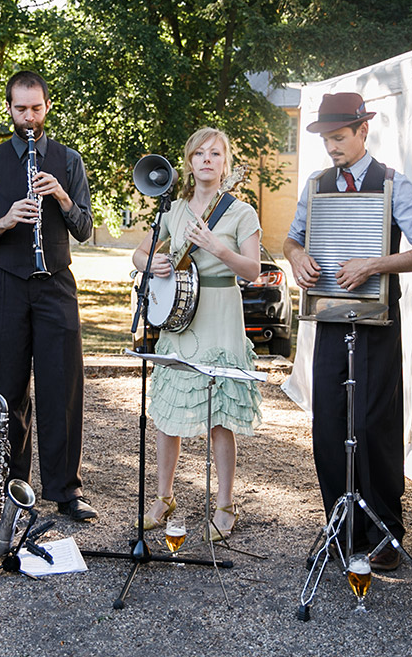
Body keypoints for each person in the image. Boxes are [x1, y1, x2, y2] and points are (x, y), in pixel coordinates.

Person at [283, 92, 412, 571]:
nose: (332, 147)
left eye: (339, 137)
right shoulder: (317, 183)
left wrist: (375, 264)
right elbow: (292, 237)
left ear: (364, 129)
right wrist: (297, 256)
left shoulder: (392, 182)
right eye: (326, 139)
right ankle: (340, 527)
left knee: (371, 423)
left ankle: (385, 531)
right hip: (328, 315)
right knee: (328, 423)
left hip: (377, 318)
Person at [0, 71, 97, 521]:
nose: (29, 117)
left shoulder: (68, 160)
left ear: (47, 106)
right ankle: (14, 485)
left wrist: (61, 196)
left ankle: (65, 489)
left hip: (56, 283)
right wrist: (5, 221)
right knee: (8, 388)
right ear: (9, 109)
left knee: (62, 386)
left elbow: (85, 228)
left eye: (36, 108)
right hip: (6, 283)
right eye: (20, 108)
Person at [132, 128, 263, 541]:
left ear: (225, 163)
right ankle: (163, 497)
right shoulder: (173, 213)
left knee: (219, 418)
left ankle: (224, 505)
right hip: (181, 321)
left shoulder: (242, 212)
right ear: (189, 163)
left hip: (222, 317)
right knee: (168, 416)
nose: (207, 159)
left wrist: (217, 247)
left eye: (216, 153)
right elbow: (139, 253)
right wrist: (152, 265)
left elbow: (253, 270)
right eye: (199, 153)